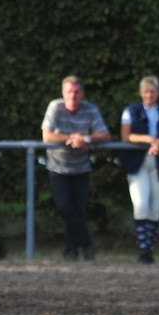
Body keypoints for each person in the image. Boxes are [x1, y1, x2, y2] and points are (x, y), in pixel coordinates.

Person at [41, 75, 111, 261]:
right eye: (69, 91)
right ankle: (87, 243)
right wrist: (71, 139)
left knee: (78, 211)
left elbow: (104, 135)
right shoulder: (55, 107)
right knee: (65, 207)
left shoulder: (90, 110)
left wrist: (86, 139)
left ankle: (71, 251)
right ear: (63, 93)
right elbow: (47, 136)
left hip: (81, 168)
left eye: (76, 91)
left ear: (82, 93)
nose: (73, 95)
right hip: (58, 168)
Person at [120, 75, 159, 263]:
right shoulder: (131, 111)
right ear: (142, 93)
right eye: (146, 91)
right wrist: (149, 139)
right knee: (141, 205)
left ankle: (149, 248)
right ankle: (143, 249)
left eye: (153, 91)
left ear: (158, 93)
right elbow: (126, 136)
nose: (149, 95)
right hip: (138, 161)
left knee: (155, 207)